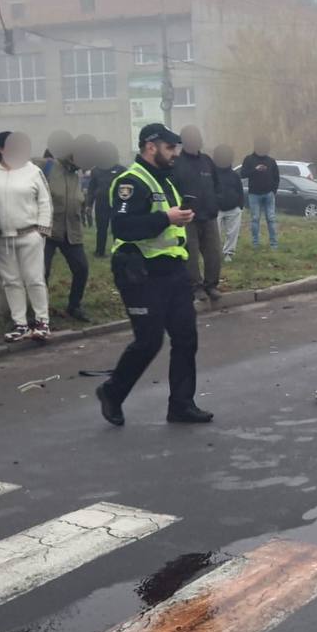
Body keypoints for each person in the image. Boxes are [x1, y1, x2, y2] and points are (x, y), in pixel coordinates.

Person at [96, 123, 212, 426]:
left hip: (173, 270)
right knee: (149, 341)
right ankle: (112, 392)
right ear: (151, 147)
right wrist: (166, 217)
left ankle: (181, 406)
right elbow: (123, 227)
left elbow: (166, 222)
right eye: (170, 148)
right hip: (140, 272)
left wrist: (180, 217)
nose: (175, 153)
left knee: (186, 337)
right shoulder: (131, 182)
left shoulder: (165, 180)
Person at [0, 131, 53, 342]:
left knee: (34, 278)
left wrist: (42, 231)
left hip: (29, 234)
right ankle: (20, 324)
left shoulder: (33, 171)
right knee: (11, 281)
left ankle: (42, 322)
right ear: (1, 149)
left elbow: (44, 201)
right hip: (0, 237)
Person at [40, 131, 92, 322]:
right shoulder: (47, 166)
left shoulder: (75, 174)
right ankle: (41, 311)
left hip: (71, 230)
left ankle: (74, 306)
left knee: (81, 269)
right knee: (42, 272)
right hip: (47, 230)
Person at [173, 125, 223, 300]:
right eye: (192, 137)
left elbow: (217, 184)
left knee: (214, 254)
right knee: (191, 256)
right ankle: (196, 287)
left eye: (197, 137)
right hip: (188, 218)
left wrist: (215, 202)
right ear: (184, 141)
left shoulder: (207, 161)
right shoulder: (176, 164)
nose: (196, 140)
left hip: (209, 215)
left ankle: (212, 285)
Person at [86, 141, 124, 257]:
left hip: (116, 204)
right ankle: (99, 251)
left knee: (118, 228)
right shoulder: (96, 170)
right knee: (101, 228)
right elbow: (91, 189)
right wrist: (88, 204)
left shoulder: (121, 170)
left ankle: (118, 251)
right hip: (101, 204)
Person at [241, 136, 279, 249]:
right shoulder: (249, 159)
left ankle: (274, 244)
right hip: (254, 194)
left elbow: (276, 177)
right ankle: (255, 244)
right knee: (255, 219)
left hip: (269, 194)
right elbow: (243, 174)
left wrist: (273, 191)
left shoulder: (271, 161)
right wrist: (255, 170)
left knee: (271, 219)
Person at [213, 144, 245, 262]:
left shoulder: (234, 175)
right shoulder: (212, 174)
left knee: (232, 233)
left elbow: (240, 190)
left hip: (233, 209)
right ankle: (215, 253)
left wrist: (240, 206)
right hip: (216, 209)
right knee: (215, 234)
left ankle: (228, 253)